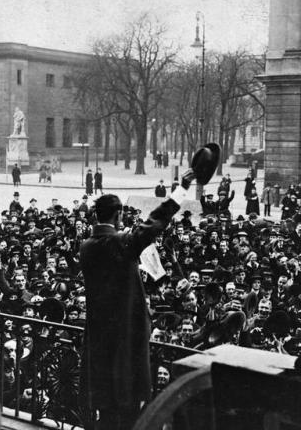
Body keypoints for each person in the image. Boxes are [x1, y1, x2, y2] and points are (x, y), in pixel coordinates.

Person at [79, 169, 195, 430]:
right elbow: (156, 221)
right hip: (125, 343)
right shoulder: (120, 244)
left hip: (100, 342)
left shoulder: (86, 246)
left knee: (106, 413)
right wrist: (181, 189)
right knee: (128, 412)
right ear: (118, 214)